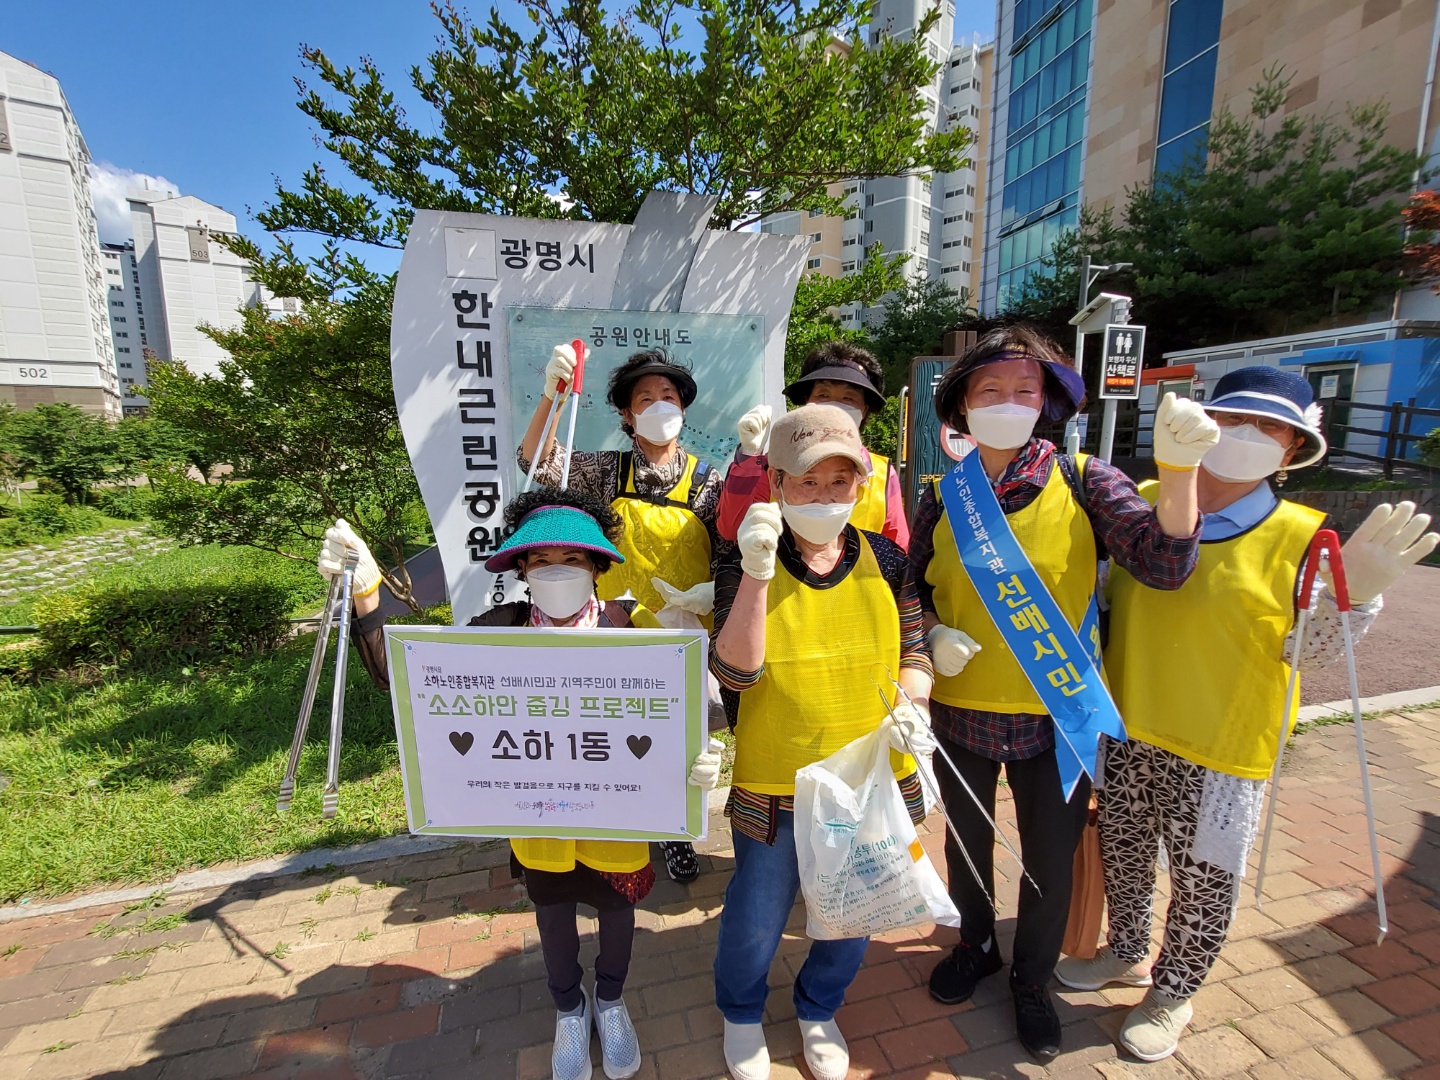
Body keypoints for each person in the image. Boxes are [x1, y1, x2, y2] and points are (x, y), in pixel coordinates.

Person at [1056, 366, 1439, 1062]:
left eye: (1269, 429)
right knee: (1125, 853)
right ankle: (1127, 952)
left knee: (1204, 879)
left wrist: (1353, 599)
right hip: (1128, 723)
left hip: (1223, 743)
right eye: (1233, 420)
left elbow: (1310, 653)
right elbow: (1096, 596)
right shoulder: (1146, 502)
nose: (1247, 436)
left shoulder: (1303, 537)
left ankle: (1174, 991)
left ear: (1292, 450)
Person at [318, 488, 725, 1080]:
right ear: (521, 570)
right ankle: (569, 1009)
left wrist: (695, 759)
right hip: (540, 822)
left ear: (598, 566)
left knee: (618, 917)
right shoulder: (499, 628)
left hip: (618, 819)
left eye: (572, 559)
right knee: (553, 920)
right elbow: (405, 674)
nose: (557, 571)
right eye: (541, 560)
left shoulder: (632, 624)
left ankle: (611, 1000)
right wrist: (366, 595)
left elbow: (692, 702)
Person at [907, 325, 1220, 1061]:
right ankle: (977, 943)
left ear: (1046, 401)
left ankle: (1031, 978)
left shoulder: (1085, 478)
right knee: (967, 840)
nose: (1008, 402)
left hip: (1058, 716)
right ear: (962, 405)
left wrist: (1179, 477)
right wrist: (930, 636)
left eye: (1025, 389)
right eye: (990, 389)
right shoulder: (943, 495)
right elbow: (910, 588)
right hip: (961, 710)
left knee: (1049, 859)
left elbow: (1164, 565)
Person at [709, 404, 935, 1080]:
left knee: (854, 909)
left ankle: (818, 1007)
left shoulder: (887, 558)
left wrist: (915, 704)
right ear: (777, 481)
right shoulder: (747, 554)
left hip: (867, 779)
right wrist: (755, 573)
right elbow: (735, 673)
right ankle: (741, 1012)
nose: (825, 495)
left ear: (861, 485)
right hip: (775, 782)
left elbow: (914, 649)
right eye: (807, 481)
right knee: (757, 915)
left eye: (840, 480)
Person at [519, 346, 727, 884]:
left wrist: (711, 591)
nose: (659, 406)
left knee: (683, 738)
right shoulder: (608, 472)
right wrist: (552, 397)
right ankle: (621, 824)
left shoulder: (709, 482)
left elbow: (730, 549)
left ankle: (677, 830)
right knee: (621, 731)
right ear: (627, 415)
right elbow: (536, 462)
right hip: (619, 631)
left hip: (685, 636)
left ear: (683, 408)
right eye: (645, 399)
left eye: (668, 396)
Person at [717, 341, 910, 548]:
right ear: (806, 402)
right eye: (823, 395)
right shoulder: (775, 465)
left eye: (848, 398)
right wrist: (749, 456)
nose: (834, 406)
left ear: (864, 410)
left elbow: (897, 548)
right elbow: (732, 529)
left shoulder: (882, 474)